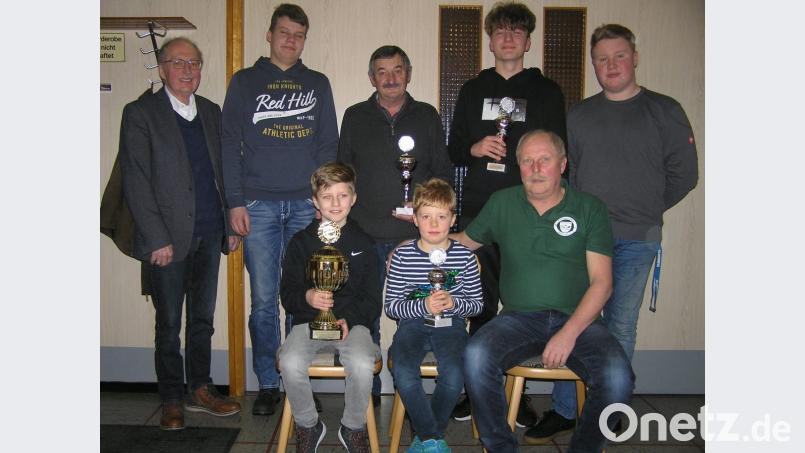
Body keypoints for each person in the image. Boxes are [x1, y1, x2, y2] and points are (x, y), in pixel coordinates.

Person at [535, 23, 700, 442]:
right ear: (593, 64)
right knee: (576, 320)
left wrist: (646, 208)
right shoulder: (579, 115)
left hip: (637, 239)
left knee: (621, 326)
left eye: (619, 56)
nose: (611, 65)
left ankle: (611, 408)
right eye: (602, 59)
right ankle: (566, 408)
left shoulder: (665, 110)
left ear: (635, 58)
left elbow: (685, 175)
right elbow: (565, 176)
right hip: (583, 239)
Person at [452, 130, 634, 452]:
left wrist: (569, 333)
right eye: (527, 160)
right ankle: (502, 448)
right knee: (475, 355)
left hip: (581, 321)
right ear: (519, 166)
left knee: (619, 379)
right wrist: (414, 244)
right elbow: (465, 241)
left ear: (562, 165)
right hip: (518, 319)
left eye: (544, 160)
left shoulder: (589, 208)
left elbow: (602, 283)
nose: (535, 168)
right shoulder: (502, 203)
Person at [446, 0, 566, 426]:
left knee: (522, 306)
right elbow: (453, 149)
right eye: (501, 31)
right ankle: (476, 388)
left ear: (528, 41)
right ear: (490, 40)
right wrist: (475, 147)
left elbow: (560, 151)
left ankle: (521, 391)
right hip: (481, 213)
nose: (508, 37)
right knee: (478, 304)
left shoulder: (547, 91)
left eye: (517, 31)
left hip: (532, 215)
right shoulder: (472, 90)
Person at [221, 3, 339, 416]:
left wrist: (326, 204)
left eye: (299, 35)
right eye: (284, 32)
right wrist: (234, 202)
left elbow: (328, 147)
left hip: (307, 208)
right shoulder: (245, 82)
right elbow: (228, 146)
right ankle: (269, 383)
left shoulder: (318, 84)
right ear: (269, 35)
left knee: (304, 299)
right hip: (258, 204)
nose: (291, 40)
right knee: (264, 300)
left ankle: (298, 379)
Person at [119, 37, 241, 430]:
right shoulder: (140, 113)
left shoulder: (210, 110)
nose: (188, 70)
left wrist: (228, 225)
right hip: (167, 240)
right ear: (162, 69)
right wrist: (155, 238)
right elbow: (135, 180)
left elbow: (221, 172)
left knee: (203, 320)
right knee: (169, 323)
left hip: (209, 232)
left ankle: (201, 389)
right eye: (178, 62)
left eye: (194, 62)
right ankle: (172, 397)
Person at [337, 45, 454, 405]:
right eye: (383, 72)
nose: (391, 78)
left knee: (414, 319)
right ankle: (366, 394)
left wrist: (421, 207)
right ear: (372, 78)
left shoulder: (427, 115)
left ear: (409, 74)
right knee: (364, 317)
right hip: (364, 235)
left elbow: (442, 174)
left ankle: (410, 393)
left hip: (413, 239)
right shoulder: (355, 116)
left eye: (398, 70)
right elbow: (343, 172)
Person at [278, 162, 381, 453]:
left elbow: (373, 299)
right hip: (308, 323)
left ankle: (353, 427)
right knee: (289, 361)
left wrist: (350, 318)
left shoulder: (364, 243)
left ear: (354, 198)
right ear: (315, 201)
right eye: (327, 196)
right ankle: (309, 425)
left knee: (362, 364)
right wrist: (308, 297)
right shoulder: (300, 243)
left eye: (342, 195)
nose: (335, 203)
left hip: (353, 325)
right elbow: (287, 293)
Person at [385, 178, 482, 453]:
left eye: (441, 216)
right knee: (403, 372)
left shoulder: (464, 256)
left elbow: (476, 305)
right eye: (426, 216)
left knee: (454, 374)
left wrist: (452, 302)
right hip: (412, 326)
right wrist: (423, 306)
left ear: (453, 219)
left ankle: (426, 439)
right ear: (415, 219)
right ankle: (433, 439)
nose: (434, 223)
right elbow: (392, 307)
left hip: (452, 326)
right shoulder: (402, 256)